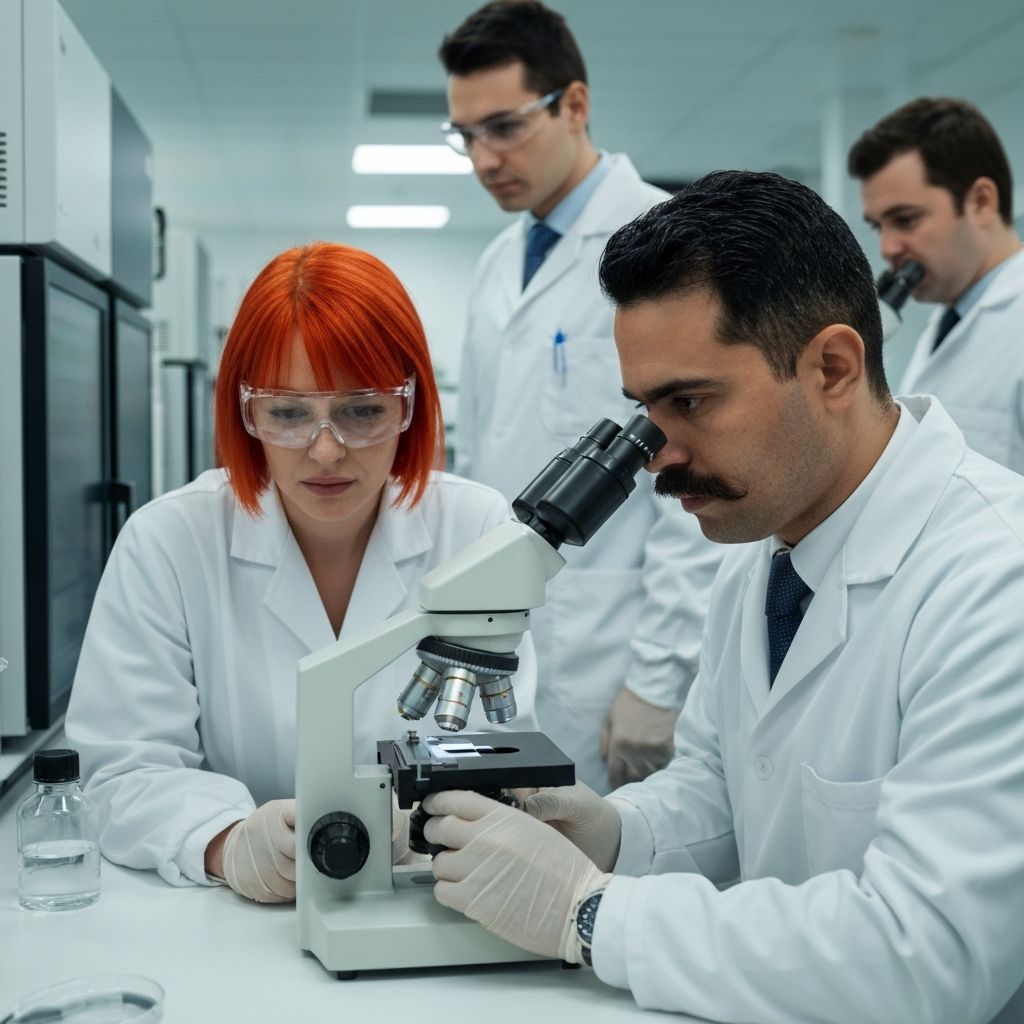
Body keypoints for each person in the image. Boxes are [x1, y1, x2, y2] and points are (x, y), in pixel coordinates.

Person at [418, 171, 1024, 1024]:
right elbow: (721, 786)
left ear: (834, 367)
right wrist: (610, 835)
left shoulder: (995, 583)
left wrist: (589, 913)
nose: (658, 453)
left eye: (690, 401)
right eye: (644, 410)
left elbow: (924, 952)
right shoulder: (764, 542)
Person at [64, 242, 538, 904]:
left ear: (410, 406)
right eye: (288, 413)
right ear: (245, 411)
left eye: (361, 410)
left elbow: (502, 752)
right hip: (229, 913)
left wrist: (429, 818)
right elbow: (123, 769)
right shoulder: (170, 541)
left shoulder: (476, 530)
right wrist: (226, 840)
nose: (325, 450)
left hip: (427, 895)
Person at [438, 0, 720, 793]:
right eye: (465, 136)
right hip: (508, 635)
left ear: (574, 104)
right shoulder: (498, 262)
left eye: (503, 126)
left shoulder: (665, 240)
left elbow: (692, 475)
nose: (483, 157)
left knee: (612, 878)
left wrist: (658, 681)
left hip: (615, 649)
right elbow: (483, 457)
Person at [849, 97, 1024, 473]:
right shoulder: (949, 321)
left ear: (980, 202)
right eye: (880, 226)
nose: (888, 248)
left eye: (906, 220)